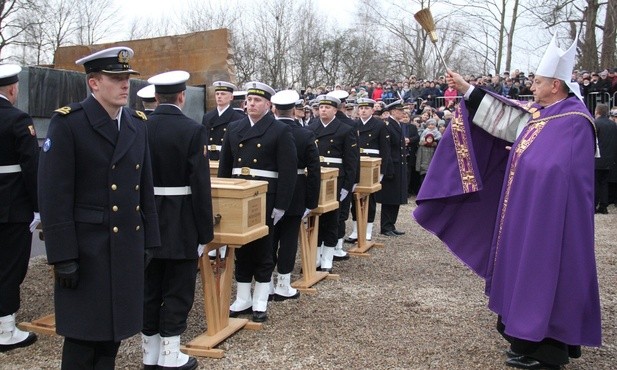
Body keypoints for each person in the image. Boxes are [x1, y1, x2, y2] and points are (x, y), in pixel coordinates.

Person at [414, 35, 601, 369]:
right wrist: (468, 89)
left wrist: (523, 158)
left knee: (546, 275)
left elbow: (557, 169)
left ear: (556, 85)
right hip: (528, 211)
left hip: (551, 220)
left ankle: (548, 352)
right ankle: (525, 341)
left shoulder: (574, 120)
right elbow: (509, 119)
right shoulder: (544, 113)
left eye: (538, 81)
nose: (532, 85)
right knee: (525, 273)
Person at [38, 46, 161, 369]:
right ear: (94, 83)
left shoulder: (136, 124)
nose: (125, 85)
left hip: (125, 246)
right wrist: (63, 255)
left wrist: (150, 239)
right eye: (116, 78)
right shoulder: (69, 123)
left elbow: (144, 187)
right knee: (82, 340)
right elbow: (54, 194)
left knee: (112, 338)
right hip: (87, 248)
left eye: (127, 78)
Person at [141, 71, 214, 370]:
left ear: (156, 97)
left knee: (149, 285)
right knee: (178, 287)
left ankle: (149, 352)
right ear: (182, 97)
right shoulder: (193, 130)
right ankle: (170, 355)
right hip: (181, 216)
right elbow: (200, 184)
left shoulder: (139, 127)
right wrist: (204, 231)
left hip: (146, 215)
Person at [218, 81, 297, 322]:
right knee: (241, 248)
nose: (252, 104)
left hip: (265, 196)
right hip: (239, 195)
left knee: (264, 247)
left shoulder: (280, 130)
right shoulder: (234, 128)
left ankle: (261, 298)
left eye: (257, 101)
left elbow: (288, 170)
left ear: (269, 105)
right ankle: (243, 296)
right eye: (249, 100)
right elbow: (225, 166)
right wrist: (223, 197)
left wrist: (281, 204)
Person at [0, 64, 39, 352]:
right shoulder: (17, 119)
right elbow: (31, 166)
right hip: (12, 206)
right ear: (12, 90)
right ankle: (5, 329)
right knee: (10, 267)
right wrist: (38, 207)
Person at [269, 90, 320, 300]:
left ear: (273, 108)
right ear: (294, 110)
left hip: (270, 190)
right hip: (296, 190)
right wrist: (311, 201)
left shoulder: (267, 131)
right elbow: (314, 171)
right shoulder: (305, 134)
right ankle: (283, 283)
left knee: (269, 239)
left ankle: (268, 282)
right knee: (289, 239)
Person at [308, 95, 358, 272]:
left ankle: (328, 257)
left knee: (332, 219)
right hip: (315, 177)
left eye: (327, 107)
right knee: (315, 218)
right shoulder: (311, 127)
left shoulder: (344, 129)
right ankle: (315, 256)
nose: (323, 110)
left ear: (335, 110)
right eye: (321, 107)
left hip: (336, 179)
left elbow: (351, 161)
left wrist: (347, 185)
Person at [345, 98, 390, 243]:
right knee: (354, 197)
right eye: (361, 108)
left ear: (372, 110)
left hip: (372, 165)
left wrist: (381, 171)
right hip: (358, 164)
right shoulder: (354, 125)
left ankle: (368, 230)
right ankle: (356, 230)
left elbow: (385, 149)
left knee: (370, 199)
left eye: (366, 108)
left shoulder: (379, 125)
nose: (363, 111)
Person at [326, 89, 360, 261]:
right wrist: (354, 179)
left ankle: (329, 248)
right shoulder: (350, 125)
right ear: (343, 104)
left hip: (334, 174)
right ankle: (336, 246)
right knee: (339, 212)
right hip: (340, 175)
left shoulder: (346, 126)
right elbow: (353, 158)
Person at [376, 100, 408, 236]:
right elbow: (387, 149)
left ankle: (391, 224)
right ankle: (385, 226)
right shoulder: (388, 125)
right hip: (392, 166)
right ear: (393, 111)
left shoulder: (398, 124)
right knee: (389, 197)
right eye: (400, 110)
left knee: (396, 197)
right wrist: (387, 168)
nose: (403, 113)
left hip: (399, 165)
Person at [202, 81, 245, 161]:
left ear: (231, 97)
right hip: (209, 158)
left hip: (226, 158)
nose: (219, 96)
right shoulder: (207, 117)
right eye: (217, 94)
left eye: (223, 94)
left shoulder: (238, 118)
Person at [593, 103, 617, 214]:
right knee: (604, 183)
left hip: (597, 158)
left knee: (596, 183)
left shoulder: (595, 123)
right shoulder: (613, 125)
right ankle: (603, 206)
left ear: (597, 111)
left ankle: (594, 205)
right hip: (610, 158)